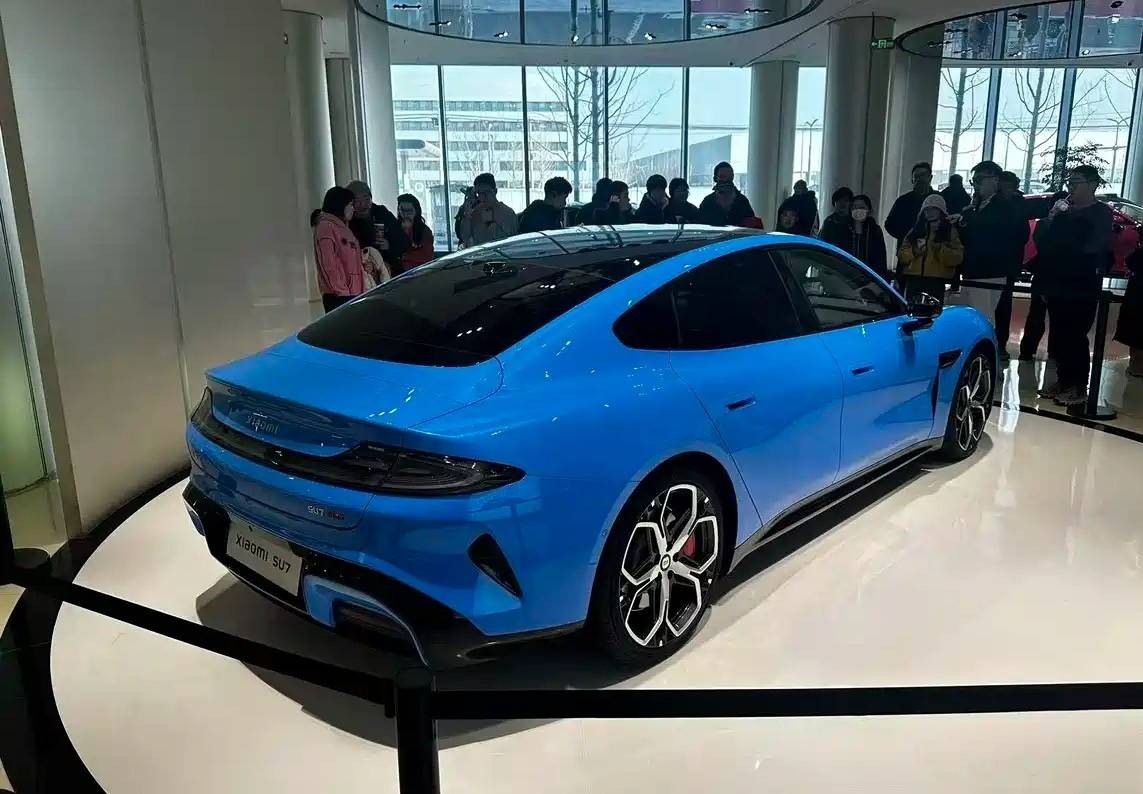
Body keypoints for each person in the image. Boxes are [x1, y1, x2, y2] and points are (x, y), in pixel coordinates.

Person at [1031, 165, 1114, 405]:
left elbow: (1094, 246)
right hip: (1056, 281)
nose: (1071, 187)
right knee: (1058, 333)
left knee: (1075, 335)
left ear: (1092, 184)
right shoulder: (1062, 210)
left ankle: (1078, 385)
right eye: (1070, 182)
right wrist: (1050, 218)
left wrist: (1068, 243)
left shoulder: (1101, 213)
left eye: (1076, 182)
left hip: (1081, 283)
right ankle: (1063, 380)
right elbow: (1042, 241)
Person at [949, 160, 1028, 350]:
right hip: (973, 269)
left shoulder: (1005, 207)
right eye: (973, 181)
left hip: (990, 271)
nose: (975, 185)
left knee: (983, 319)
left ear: (994, 180)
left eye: (978, 180)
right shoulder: (977, 206)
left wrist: (967, 221)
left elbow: (1012, 236)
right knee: (972, 317)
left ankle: (986, 355)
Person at [896, 194, 963, 302]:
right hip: (914, 280)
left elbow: (957, 258)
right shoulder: (914, 231)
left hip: (937, 282)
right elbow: (901, 255)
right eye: (927, 209)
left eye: (933, 209)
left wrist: (939, 249)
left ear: (941, 211)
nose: (929, 212)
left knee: (933, 310)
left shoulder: (950, 231)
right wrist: (914, 251)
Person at [314, 187, 367, 313]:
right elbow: (329, 264)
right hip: (339, 296)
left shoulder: (344, 228)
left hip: (353, 293)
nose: (353, 208)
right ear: (339, 205)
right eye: (350, 204)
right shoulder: (326, 227)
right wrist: (341, 291)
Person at [346, 180, 408, 269]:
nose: (363, 204)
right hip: (362, 269)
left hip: (389, 267)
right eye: (357, 201)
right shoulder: (348, 220)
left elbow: (403, 241)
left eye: (366, 199)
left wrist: (389, 245)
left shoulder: (381, 212)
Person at [455, 173, 517, 247]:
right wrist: (467, 215)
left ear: (495, 191)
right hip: (477, 252)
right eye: (478, 193)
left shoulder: (508, 213)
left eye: (485, 193)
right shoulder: (474, 212)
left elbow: (512, 244)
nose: (481, 197)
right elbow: (465, 237)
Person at [885, 161, 937, 245]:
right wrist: (907, 237)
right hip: (907, 248)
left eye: (923, 175)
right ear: (912, 180)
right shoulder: (903, 200)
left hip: (933, 249)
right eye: (916, 176)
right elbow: (889, 224)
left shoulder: (938, 200)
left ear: (930, 178)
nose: (919, 179)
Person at [1115, 246, 1143, 377]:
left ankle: (1136, 368)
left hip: (1137, 302)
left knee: (1136, 338)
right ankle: (1136, 368)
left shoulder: (1139, 255)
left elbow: (1130, 261)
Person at [698, 161, 755, 226]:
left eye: (729, 177)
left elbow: (752, 226)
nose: (726, 180)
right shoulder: (708, 202)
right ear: (715, 178)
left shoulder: (742, 201)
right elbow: (700, 225)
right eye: (722, 176)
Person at [847, 195, 888, 278]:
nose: (858, 210)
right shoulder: (844, 227)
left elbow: (880, 257)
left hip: (869, 276)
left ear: (869, 210)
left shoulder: (875, 230)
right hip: (845, 275)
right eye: (854, 207)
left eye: (862, 207)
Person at [395, 193, 434, 272]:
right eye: (402, 210)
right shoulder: (395, 227)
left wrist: (404, 256)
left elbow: (427, 256)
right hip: (398, 272)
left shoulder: (424, 231)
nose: (405, 214)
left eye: (409, 211)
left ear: (416, 211)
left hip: (419, 272)